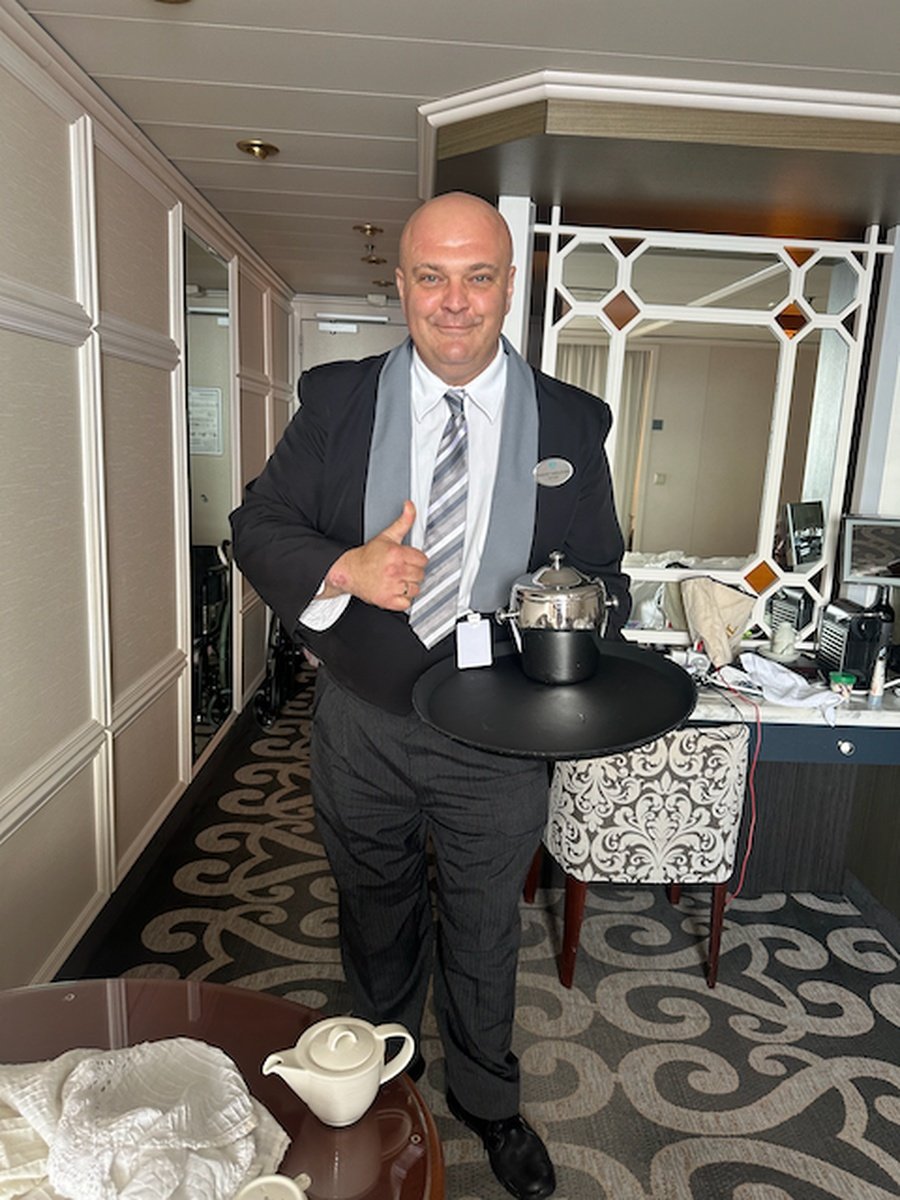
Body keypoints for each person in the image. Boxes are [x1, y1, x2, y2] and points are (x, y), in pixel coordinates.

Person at [230, 192, 631, 1200]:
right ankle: (376, 1081)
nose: (455, 302)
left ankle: (490, 1103)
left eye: (479, 276)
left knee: (486, 923)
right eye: (432, 276)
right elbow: (257, 526)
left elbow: (606, 574)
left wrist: (570, 602)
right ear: (400, 283)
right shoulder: (335, 400)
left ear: (509, 285)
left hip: (501, 729)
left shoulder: (574, 422)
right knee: (374, 913)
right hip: (363, 718)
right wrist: (346, 570)